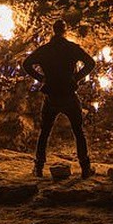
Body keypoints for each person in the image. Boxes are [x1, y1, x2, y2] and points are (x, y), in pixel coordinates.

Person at [22, 19, 96, 178]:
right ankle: (85, 168)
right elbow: (90, 63)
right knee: (78, 131)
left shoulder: (45, 50)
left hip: (52, 96)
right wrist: (76, 77)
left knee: (45, 132)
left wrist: (41, 78)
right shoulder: (71, 48)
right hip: (69, 95)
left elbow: (26, 64)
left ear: (53, 31)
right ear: (65, 31)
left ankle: (39, 167)